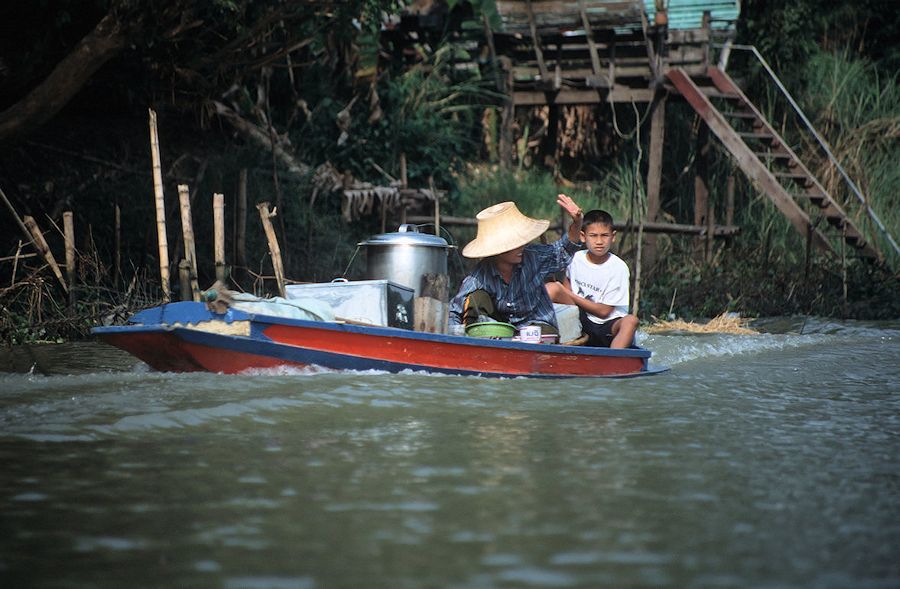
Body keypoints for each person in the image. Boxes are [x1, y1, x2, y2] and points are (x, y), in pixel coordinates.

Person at [448, 195, 584, 335]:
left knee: (539, 337)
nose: (520, 247)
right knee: (476, 298)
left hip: (537, 325)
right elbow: (455, 310)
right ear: (498, 250)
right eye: (514, 244)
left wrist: (577, 222)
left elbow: (562, 251)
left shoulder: (533, 257)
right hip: (502, 330)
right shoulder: (481, 275)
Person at [546, 209, 638, 348]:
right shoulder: (575, 259)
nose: (599, 241)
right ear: (583, 237)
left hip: (608, 325)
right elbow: (566, 289)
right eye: (593, 236)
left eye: (604, 235)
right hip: (580, 317)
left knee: (631, 321)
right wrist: (562, 291)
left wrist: (569, 294)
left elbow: (603, 312)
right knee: (552, 288)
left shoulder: (619, 267)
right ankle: (527, 333)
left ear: (613, 237)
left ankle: (613, 360)